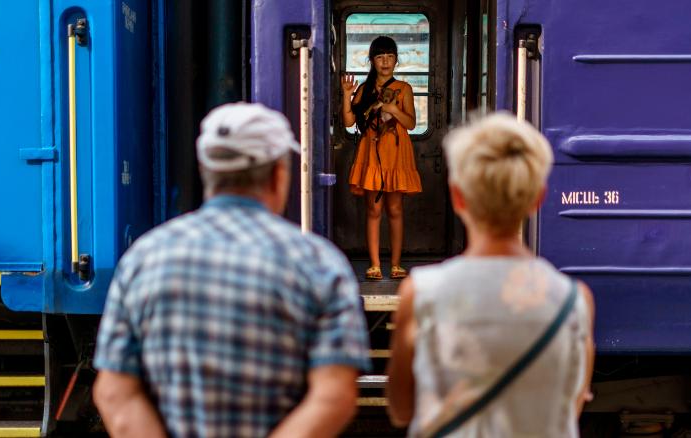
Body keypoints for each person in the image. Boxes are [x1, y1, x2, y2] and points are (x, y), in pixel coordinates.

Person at [92, 103, 372, 438]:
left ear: (205, 169)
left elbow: (114, 393)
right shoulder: (320, 264)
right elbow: (334, 396)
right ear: (279, 175)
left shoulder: (143, 258)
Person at [385, 113, 595, 437]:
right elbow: (569, 406)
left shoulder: (422, 292)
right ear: (538, 199)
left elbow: (401, 410)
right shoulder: (575, 300)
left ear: (457, 197)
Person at [341, 35, 422, 281]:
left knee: (395, 209)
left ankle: (396, 264)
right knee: (373, 210)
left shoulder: (404, 89)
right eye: (379, 57)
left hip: (396, 155)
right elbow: (348, 122)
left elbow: (410, 124)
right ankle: (375, 265)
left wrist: (394, 109)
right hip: (372, 153)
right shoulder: (365, 89)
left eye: (389, 57)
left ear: (396, 60)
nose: (385, 62)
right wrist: (346, 95)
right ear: (372, 61)